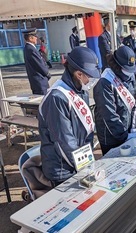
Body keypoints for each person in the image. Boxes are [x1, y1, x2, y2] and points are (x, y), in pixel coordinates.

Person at [38, 47, 100, 186]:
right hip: (62, 169)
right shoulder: (57, 98)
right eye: (90, 76)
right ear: (78, 74)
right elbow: (65, 141)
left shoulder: (79, 90)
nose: (93, 80)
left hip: (78, 163)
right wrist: (84, 168)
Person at [94, 46, 136, 155]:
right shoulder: (105, 82)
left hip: (128, 131)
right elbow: (109, 115)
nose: (129, 73)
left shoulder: (130, 77)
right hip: (110, 137)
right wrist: (124, 136)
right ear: (117, 65)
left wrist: (135, 128)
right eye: (126, 70)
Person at [22, 28, 51, 95]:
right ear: (30, 38)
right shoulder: (31, 49)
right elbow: (39, 64)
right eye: (35, 37)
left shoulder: (28, 48)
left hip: (37, 82)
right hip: (40, 82)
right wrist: (47, 74)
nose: (36, 38)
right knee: (43, 102)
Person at [123, 21, 136, 89]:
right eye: (130, 29)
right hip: (130, 66)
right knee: (131, 84)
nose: (131, 31)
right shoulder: (126, 40)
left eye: (133, 29)